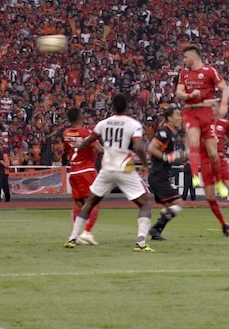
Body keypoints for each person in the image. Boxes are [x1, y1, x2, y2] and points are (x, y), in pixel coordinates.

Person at [63, 94, 155, 252]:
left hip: (106, 168)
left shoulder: (103, 123)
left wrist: (79, 144)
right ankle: (141, 243)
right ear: (126, 107)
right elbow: (139, 146)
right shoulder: (133, 124)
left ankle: (72, 238)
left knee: (90, 202)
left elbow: (89, 141)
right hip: (124, 166)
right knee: (145, 204)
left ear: (112, 107)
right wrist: (145, 164)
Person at [175, 43, 229, 198]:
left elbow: (225, 88)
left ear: (193, 56)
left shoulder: (209, 71)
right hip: (190, 112)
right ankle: (194, 176)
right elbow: (179, 92)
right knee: (193, 142)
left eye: (185, 57)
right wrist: (189, 96)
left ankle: (219, 182)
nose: (184, 60)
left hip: (207, 113)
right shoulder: (184, 73)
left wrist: (223, 106)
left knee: (213, 154)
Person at [198, 102, 229, 235]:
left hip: (221, 160)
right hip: (206, 161)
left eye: (214, 106)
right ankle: (224, 224)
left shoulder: (224, 123)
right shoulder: (200, 125)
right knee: (210, 196)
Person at [146, 107, 189, 240]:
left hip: (160, 175)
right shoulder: (165, 132)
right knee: (179, 204)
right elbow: (151, 148)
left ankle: (156, 231)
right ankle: (155, 229)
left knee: (169, 207)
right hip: (159, 176)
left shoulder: (171, 133)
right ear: (169, 118)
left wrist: (180, 155)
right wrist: (166, 157)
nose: (180, 118)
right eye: (177, 115)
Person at [62, 107, 103, 245]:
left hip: (73, 171)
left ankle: (76, 234)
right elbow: (99, 149)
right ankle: (87, 232)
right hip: (86, 170)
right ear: (79, 117)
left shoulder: (66, 133)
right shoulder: (87, 132)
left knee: (79, 204)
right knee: (93, 201)